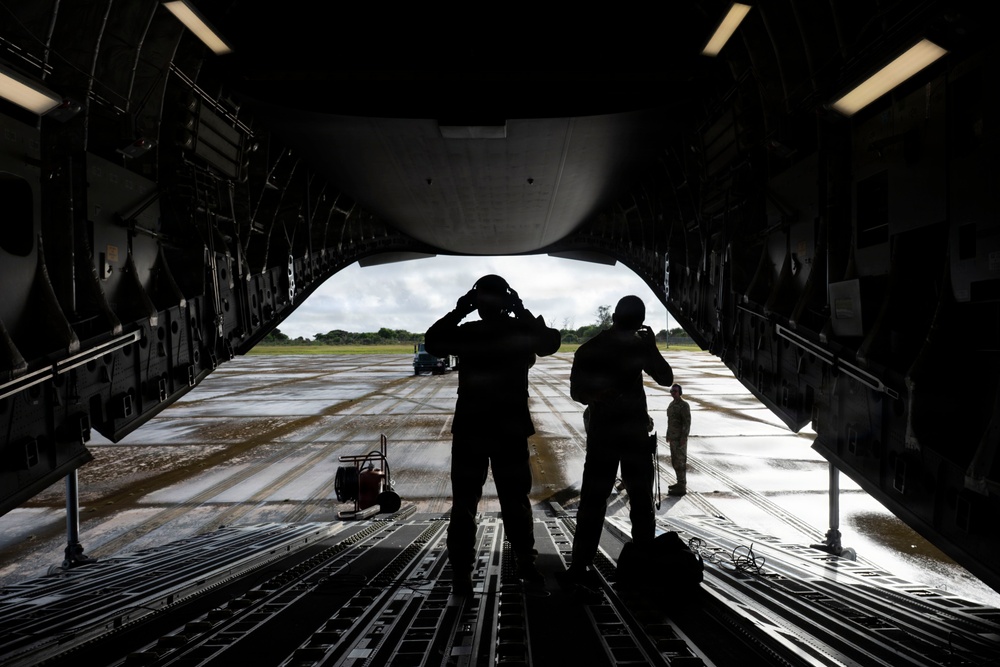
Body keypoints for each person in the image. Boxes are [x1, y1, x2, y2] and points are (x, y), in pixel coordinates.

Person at [424, 274, 561, 596]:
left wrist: (460, 310)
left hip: (472, 429)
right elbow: (549, 343)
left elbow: (433, 341)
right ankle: (526, 565)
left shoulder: (469, 333)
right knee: (516, 501)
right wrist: (521, 309)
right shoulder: (519, 332)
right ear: (506, 302)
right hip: (509, 430)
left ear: (478, 303)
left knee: (464, 504)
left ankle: (461, 574)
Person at [559, 295, 673, 594]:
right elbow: (665, 377)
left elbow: (576, 392)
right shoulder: (638, 348)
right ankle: (643, 565)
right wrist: (652, 349)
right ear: (639, 322)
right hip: (632, 436)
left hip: (605, 435)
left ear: (614, 318)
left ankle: (581, 565)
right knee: (641, 504)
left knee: (593, 503)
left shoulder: (590, 349)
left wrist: (599, 396)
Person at [666, 383, 691, 496]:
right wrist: (668, 434)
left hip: (680, 439)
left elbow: (687, 423)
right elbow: (670, 421)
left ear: (680, 392)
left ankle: (682, 484)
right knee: (675, 461)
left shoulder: (684, 405)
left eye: (675, 391)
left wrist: (684, 437)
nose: (673, 393)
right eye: (672, 391)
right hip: (673, 438)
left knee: (681, 462)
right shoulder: (671, 405)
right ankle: (679, 482)